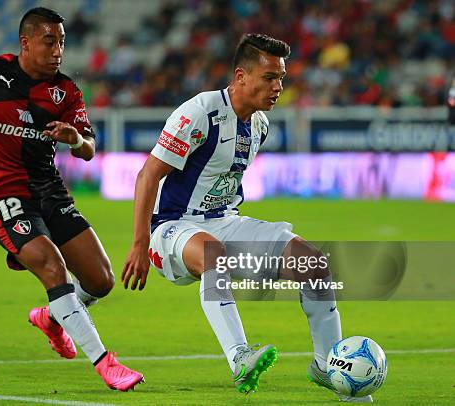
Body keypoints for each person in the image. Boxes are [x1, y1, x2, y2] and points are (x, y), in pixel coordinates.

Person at [122, 33, 371, 402]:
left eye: (282, 78)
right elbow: (148, 175)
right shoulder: (201, 112)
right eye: (270, 78)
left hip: (224, 220)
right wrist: (140, 244)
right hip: (173, 227)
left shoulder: (259, 125)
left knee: (314, 264)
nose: (278, 87)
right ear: (241, 76)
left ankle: (328, 367)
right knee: (213, 253)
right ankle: (240, 357)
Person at [0, 7, 143, 391]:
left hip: (49, 190)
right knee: (52, 267)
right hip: (3, 194)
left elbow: (88, 148)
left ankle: (52, 318)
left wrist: (75, 139)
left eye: (62, 43)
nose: (58, 51)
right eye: (49, 41)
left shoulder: (65, 91)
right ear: (26, 42)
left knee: (101, 281)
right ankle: (107, 364)